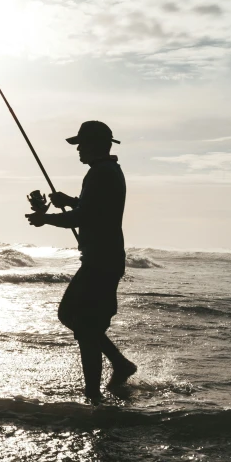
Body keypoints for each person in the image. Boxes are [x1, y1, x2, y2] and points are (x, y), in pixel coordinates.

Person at [25, 120, 136, 403]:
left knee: (82, 323)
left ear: (96, 145)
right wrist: (70, 200)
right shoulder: (108, 171)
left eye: (81, 145)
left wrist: (44, 219)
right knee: (80, 320)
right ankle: (118, 367)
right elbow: (95, 209)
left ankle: (94, 396)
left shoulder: (100, 173)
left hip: (101, 261)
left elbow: (85, 217)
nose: (78, 150)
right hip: (103, 258)